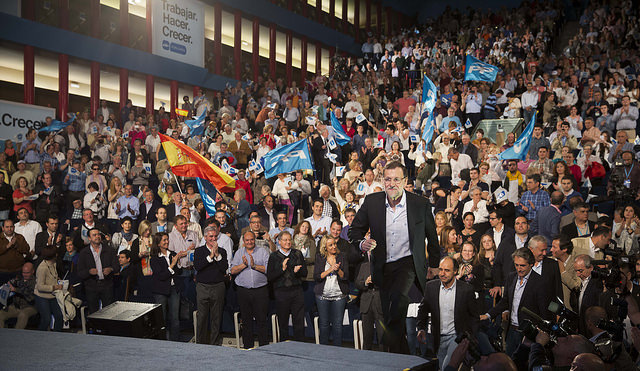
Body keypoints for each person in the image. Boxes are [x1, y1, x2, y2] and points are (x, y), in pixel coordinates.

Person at [349, 161, 440, 353]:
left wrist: (434, 265)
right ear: (382, 181)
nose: (392, 184)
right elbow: (354, 230)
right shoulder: (372, 201)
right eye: (388, 179)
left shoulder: (420, 204)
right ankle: (403, 356)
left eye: (396, 179)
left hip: (408, 263)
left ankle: (389, 342)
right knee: (389, 314)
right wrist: (361, 243)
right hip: (382, 267)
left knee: (399, 299)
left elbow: (432, 237)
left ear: (405, 181)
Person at [481, 248, 551, 356]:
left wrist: (542, 335)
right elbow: (505, 302)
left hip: (529, 335)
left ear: (531, 264)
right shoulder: (511, 277)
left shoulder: (540, 282)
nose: (519, 269)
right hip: (512, 332)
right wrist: (488, 315)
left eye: (522, 265)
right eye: (516, 265)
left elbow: (544, 312)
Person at [416, 256, 478, 369]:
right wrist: (421, 328)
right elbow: (423, 310)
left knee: (447, 367)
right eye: (440, 269)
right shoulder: (431, 287)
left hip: (456, 338)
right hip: (437, 339)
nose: (442, 273)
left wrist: (470, 338)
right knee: (441, 367)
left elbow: (474, 316)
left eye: (447, 270)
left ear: (455, 271)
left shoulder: (466, 290)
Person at [230, 231, 270, 348]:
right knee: (246, 321)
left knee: (261, 320)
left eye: (251, 239)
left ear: (255, 240)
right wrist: (243, 265)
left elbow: (269, 269)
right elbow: (232, 270)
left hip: (260, 290)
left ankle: (264, 348)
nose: (249, 242)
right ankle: (248, 347)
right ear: (243, 241)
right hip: (243, 291)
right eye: (247, 240)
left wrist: (254, 266)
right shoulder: (239, 253)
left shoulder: (263, 252)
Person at [267, 231, 307, 341]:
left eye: (289, 240)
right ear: (279, 242)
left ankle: (300, 347)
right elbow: (270, 277)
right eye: (285, 240)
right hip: (281, 293)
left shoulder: (297, 253)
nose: (288, 242)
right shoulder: (274, 256)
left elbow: (305, 273)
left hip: (296, 291)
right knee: (283, 322)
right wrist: (282, 269)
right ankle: (284, 347)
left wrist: (297, 271)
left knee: (299, 322)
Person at [193, 223, 228, 345]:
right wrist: (210, 257)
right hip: (203, 287)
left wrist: (217, 255)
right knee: (202, 318)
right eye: (211, 237)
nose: (213, 239)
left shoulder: (222, 251)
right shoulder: (199, 251)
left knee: (216, 318)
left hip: (218, 287)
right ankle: (200, 343)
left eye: (215, 237)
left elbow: (224, 268)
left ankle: (215, 344)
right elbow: (198, 266)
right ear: (206, 238)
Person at [314, 235, 349, 346]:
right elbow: (317, 276)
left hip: (339, 296)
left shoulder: (342, 256)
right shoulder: (320, 257)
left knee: (337, 325)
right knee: (324, 324)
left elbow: (345, 276)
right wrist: (330, 269)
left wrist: (337, 270)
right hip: (322, 297)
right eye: (331, 245)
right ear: (325, 247)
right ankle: (323, 350)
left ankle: (338, 350)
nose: (334, 246)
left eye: (334, 244)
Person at [150, 232, 186, 341]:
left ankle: (175, 341)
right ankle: (162, 341)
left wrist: (178, 263)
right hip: (160, 291)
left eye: (167, 239)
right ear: (158, 243)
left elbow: (178, 272)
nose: (167, 242)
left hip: (174, 289)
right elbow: (161, 276)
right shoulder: (154, 258)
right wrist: (172, 265)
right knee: (162, 318)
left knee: (175, 318)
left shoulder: (172, 254)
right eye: (164, 240)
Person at [77, 228, 118, 314]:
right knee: (93, 312)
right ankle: (95, 328)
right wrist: (89, 272)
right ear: (89, 238)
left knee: (109, 311)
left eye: (98, 234)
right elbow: (80, 272)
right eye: (94, 235)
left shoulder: (109, 250)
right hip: (91, 286)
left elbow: (117, 267)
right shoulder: (84, 253)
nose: (97, 237)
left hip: (107, 285)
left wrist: (111, 269)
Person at [355, 252, 384, 351]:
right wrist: (365, 283)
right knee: (367, 334)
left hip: (380, 301)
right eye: (370, 252)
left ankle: (384, 358)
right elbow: (358, 283)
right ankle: (366, 357)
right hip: (366, 303)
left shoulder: (385, 266)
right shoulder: (363, 266)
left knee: (382, 335)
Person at [572, 254, 603, 335]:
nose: (578, 274)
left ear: (591, 268)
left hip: (592, 329)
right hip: (582, 328)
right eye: (576, 271)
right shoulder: (582, 282)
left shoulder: (597, 284)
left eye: (580, 271)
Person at [34, 247, 63, 331]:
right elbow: (40, 286)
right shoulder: (42, 268)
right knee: (46, 319)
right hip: (42, 296)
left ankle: (57, 337)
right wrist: (54, 287)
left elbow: (53, 276)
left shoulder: (53, 264)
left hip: (52, 296)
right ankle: (40, 337)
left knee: (59, 317)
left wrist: (57, 280)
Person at [0, 262, 37, 329]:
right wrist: (8, 285)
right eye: (23, 272)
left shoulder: (35, 282)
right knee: (1, 314)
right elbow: (12, 282)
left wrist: (15, 290)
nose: (25, 275)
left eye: (27, 273)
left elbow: (30, 296)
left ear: (33, 271)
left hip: (29, 307)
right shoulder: (19, 278)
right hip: (16, 306)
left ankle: (16, 336)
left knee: (23, 315)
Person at [528, 235, 562, 302]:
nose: (544, 253)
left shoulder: (553, 265)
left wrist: (555, 310)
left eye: (545, 250)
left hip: (547, 310)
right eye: (542, 250)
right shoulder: (523, 265)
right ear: (531, 250)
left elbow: (558, 292)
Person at [0, 219, 30, 284]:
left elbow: (26, 249)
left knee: (18, 292)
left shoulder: (19, 237)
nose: (9, 229)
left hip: (18, 270)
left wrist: (16, 245)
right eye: (7, 227)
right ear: (2, 228)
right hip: (2, 272)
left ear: (14, 227)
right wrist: (7, 246)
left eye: (11, 227)